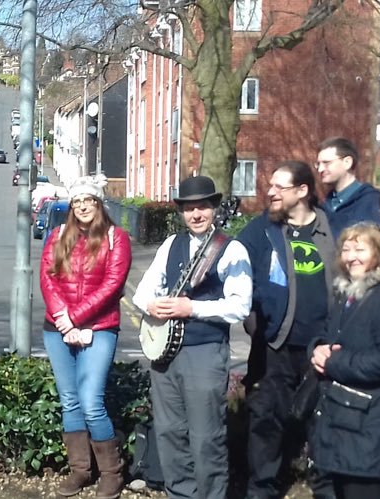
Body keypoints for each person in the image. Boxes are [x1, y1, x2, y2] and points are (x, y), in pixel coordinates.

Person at [131, 175, 252, 499]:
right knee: (169, 433)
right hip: (164, 355)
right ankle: (180, 494)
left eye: (202, 207)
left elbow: (240, 306)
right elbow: (142, 292)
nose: (196, 214)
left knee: (205, 437)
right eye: (189, 209)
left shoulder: (231, 249)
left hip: (205, 351)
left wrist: (192, 308)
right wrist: (151, 305)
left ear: (214, 208)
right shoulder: (171, 244)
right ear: (181, 212)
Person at [236, 161, 340, 499]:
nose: (270, 192)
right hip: (274, 346)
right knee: (266, 420)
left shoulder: (331, 227)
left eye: (280, 187)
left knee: (324, 422)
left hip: (322, 347)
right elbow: (234, 272)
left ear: (302, 191)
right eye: (271, 185)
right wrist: (253, 321)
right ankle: (261, 490)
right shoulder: (260, 230)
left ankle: (325, 489)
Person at [308, 223, 380, 499]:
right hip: (342, 414)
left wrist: (333, 363)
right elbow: (328, 332)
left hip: (373, 417)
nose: (351, 257)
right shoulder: (347, 290)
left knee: (361, 491)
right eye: (346, 250)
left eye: (360, 250)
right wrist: (317, 349)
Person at [38, 177, 132, 498]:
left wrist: (76, 317)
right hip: (58, 327)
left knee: (91, 402)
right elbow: (48, 278)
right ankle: (80, 470)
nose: (82, 207)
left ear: (98, 203)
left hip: (100, 327)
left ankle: (111, 473)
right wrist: (63, 318)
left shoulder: (116, 238)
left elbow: (112, 285)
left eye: (88, 200)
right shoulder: (57, 236)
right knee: (70, 401)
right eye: (77, 202)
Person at [316, 137, 380, 233]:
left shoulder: (371, 202)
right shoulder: (325, 207)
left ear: (347, 162)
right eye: (318, 164)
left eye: (326, 163)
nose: (320, 169)